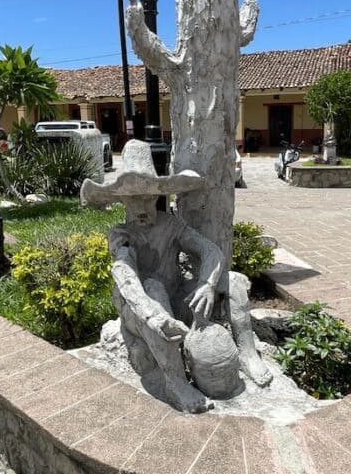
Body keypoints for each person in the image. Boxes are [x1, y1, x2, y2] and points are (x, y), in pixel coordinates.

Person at [81, 139, 271, 413]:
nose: (143, 206)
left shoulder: (171, 224)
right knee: (153, 287)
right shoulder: (121, 235)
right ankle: (176, 382)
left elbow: (210, 251)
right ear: (122, 199)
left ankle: (247, 353)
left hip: (175, 297)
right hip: (140, 310)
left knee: (234, 281)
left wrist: (206, 285)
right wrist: (154, 316)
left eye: (147, 197)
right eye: (134, 199)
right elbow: (127, 279)